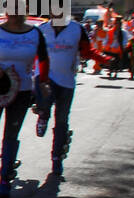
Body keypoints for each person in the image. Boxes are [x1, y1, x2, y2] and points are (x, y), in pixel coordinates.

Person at [0, 0, 50, 197]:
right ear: (6, 12)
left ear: (25, 11)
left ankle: (5, 178)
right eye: (11, 11)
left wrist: (43, 83)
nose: (15, 15)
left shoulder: (35, 34)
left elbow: (43, 61)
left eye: (19, 11)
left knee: (11, 135)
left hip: (22, 90)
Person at [34, 14, 102, 177]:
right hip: (45, 78)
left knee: (62, 121)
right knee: (44, 105)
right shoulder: (42, 29)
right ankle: (43, 113)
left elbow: (86, 51)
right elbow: (31, 51)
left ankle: (56, 158)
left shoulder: (77, 29)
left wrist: (102, 58)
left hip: (66, 81)